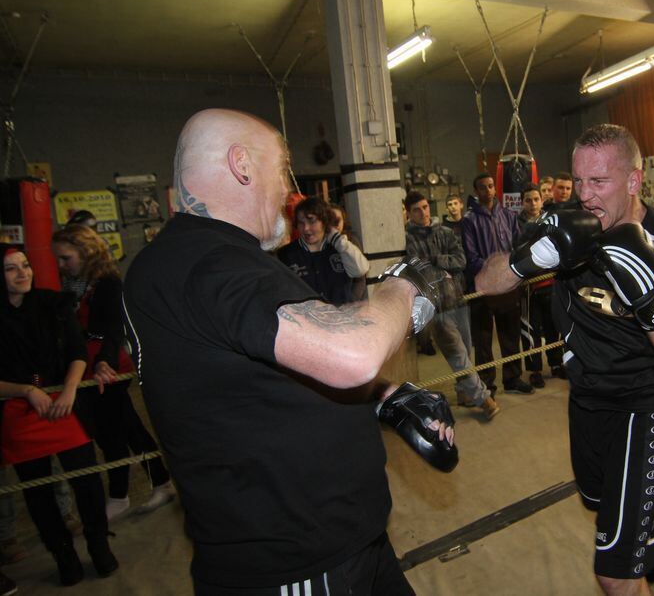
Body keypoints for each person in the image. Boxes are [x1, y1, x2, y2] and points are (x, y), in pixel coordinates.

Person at [122, 109, 453, 595]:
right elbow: (350, 354)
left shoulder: (205, 259)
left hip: (344, 543)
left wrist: (383, 398)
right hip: (296, 563)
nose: (289, 189)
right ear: (242, 165)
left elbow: (249, 376)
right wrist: (402, 289)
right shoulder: (207, 263)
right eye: (282, 168)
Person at [476, 124, 654, 595]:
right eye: (579, 181)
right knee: (599, 500)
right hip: (584, 396)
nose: (584, 195)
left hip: (645, 400)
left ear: (632, 180)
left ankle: (639, 545)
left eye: (598, 182)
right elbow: (486, 282)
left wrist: (651, 301)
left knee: (614, 574)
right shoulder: (566, 224)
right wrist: (528, 259)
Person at [0, 248, 118, 586]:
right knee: (38, 492)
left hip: (63, 401)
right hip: (19, 408)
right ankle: (63, 554)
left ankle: (98, 545)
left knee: (88, 481)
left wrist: (69, 389)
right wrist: (25, 390)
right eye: (11, 269)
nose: (23, 274)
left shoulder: (54, 303)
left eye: (25, 265)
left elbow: (77, 352)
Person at [51, 225, 175, 521]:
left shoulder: (106, 283)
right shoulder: (76, 284)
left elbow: (113, 329)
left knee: (115, 430)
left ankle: (123, 492)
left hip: (106, 367)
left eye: (66, 258)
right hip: (87, 366)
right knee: (124, 428)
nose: (61, 265)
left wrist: (103, 362)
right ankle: (155, 483)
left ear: (85, 252)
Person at [404, 190, 499, 419]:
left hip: (457, 298)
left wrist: (437, 260)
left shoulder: (445, 232)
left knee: (465, 350)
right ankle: (482, 398)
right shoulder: (407, 239)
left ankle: (464, 394)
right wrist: (441, 265)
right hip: (434, 307)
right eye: (416, 209)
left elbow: (460, 260)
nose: (423, 213)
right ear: (409, 213)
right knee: (458, 355)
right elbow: (417, 268)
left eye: (425, 207)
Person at [462, 173, 533, 395]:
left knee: (510, 334)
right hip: (482, 288)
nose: (488, 190)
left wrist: (510, 271)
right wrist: (494, 272)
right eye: (483, 187)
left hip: (509, 285)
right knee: (483, 340)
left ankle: (512, 378)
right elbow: (470, 257)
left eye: (491, 186)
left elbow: (518, 246)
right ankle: (487, 384)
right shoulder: (469, 220)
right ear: (476, 192)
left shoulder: (509, 216)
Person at [277, 197, 370, 306]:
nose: (306, 228)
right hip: (307, 321)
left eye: (312, 221)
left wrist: (337, 239)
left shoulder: (340, 247)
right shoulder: (285, 255)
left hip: (342, 318)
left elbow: (361, 270)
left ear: (325, 221)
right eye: (301, 223)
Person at [516, 184, 565, 385]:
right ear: (522, 202)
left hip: (552, 281)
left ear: (542, 200)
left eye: (536, 199)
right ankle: (534, 369)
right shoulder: (516, 224)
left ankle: (556, 364)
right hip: (529, 284)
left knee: (553, 326)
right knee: (530, 329)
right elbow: (517, 250)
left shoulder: (551, 220)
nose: (533, 203)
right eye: (528, 200)